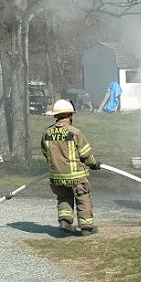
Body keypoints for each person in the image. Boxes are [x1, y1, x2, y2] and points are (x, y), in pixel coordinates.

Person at [41, 99, 101, 236]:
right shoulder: (74, 132)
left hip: (56, 176)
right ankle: (86, 228)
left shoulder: (46, 133)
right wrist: (93, 164)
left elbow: (45, 153)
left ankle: (65, 222)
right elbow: (85, 153)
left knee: (64, 197)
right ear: (69, 115)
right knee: (83, 199)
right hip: (76, 176)